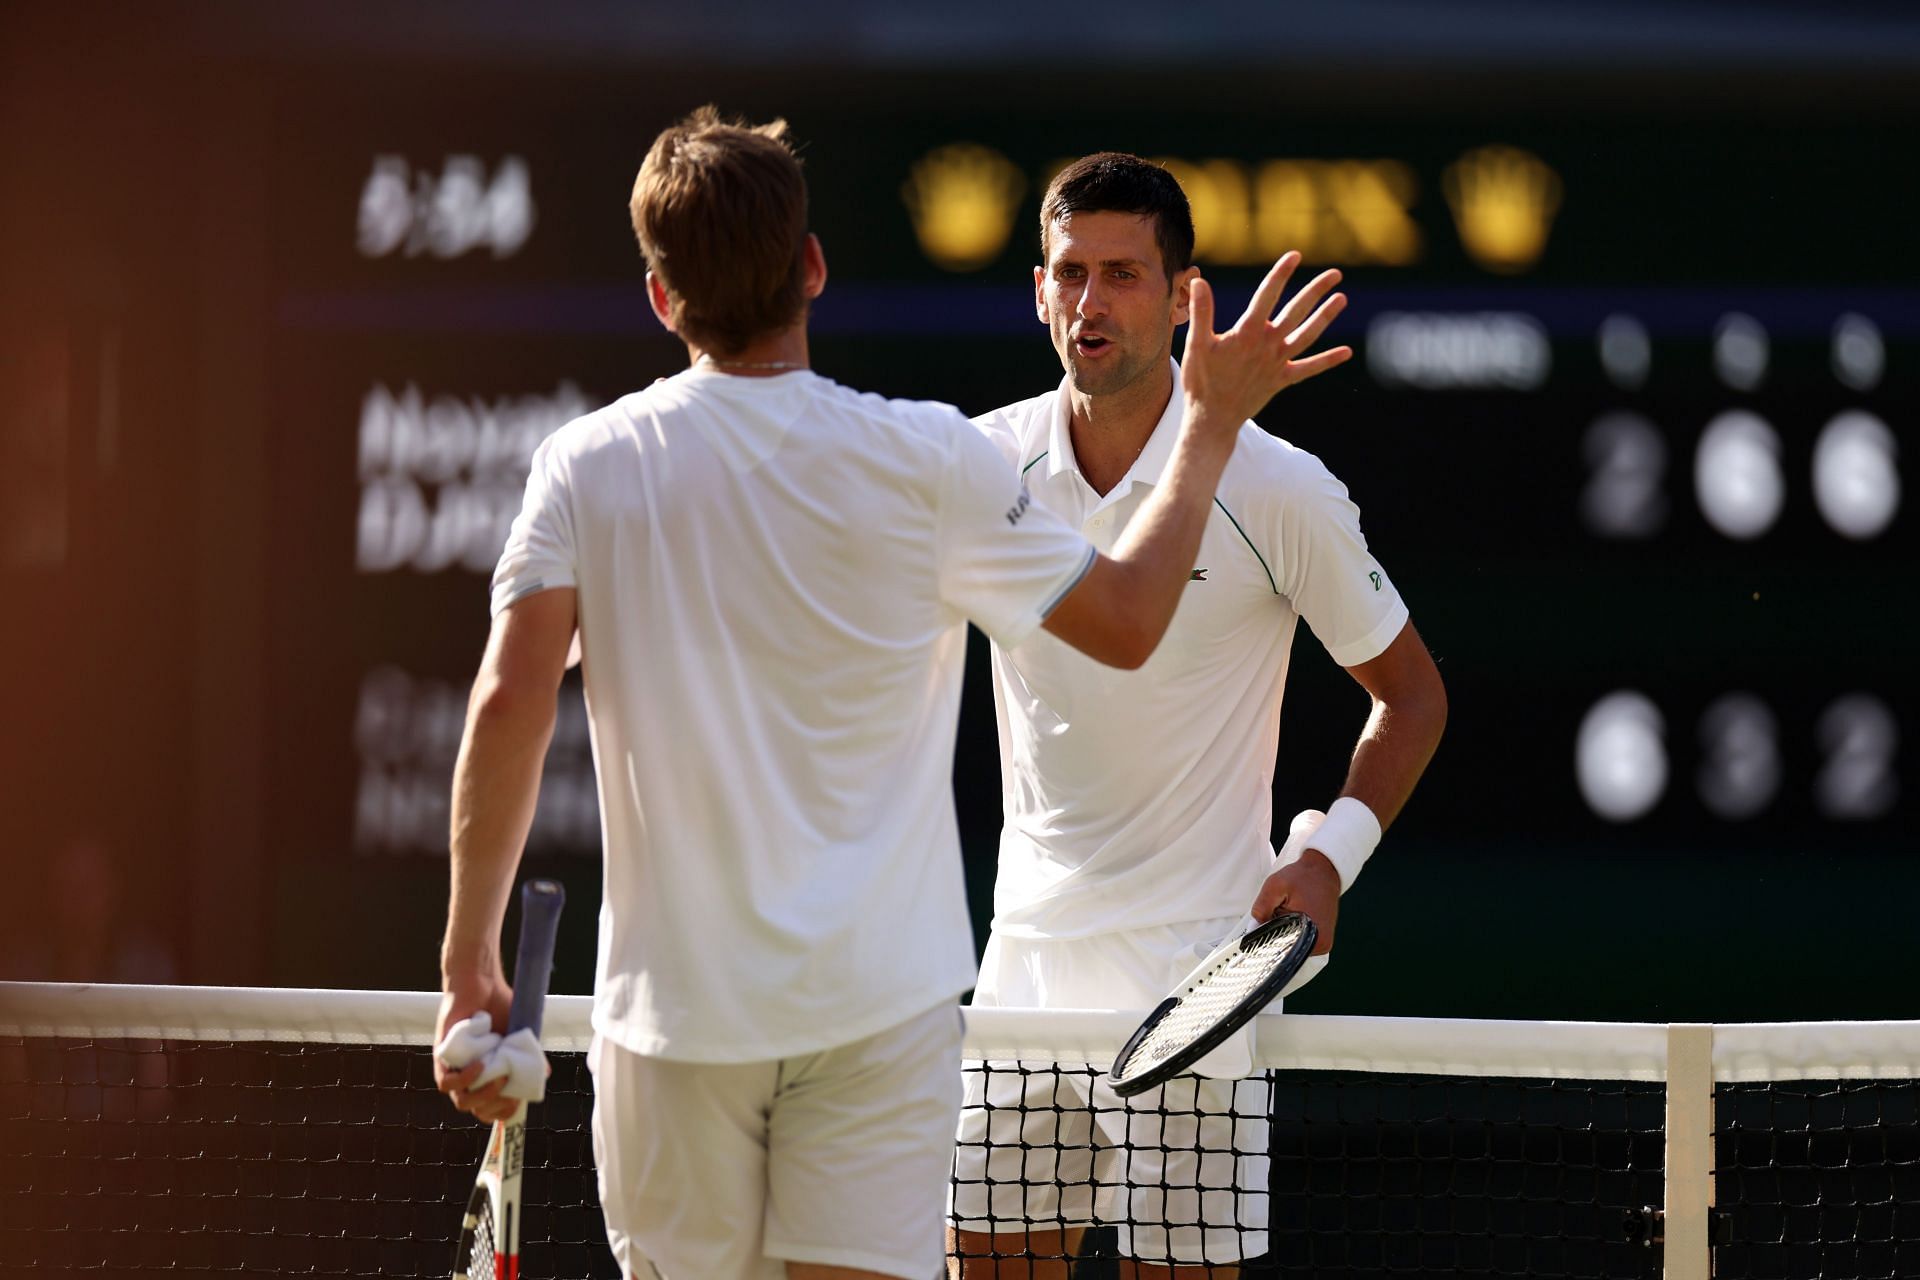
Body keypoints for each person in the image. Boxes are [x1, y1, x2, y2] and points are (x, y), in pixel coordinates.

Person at [431, 110, 1354, 1280]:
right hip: (881, 1018)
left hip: (671, 1021)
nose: (1091, 298)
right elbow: (1128, 620)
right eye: (1072, 273)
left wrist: (470, 960)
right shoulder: (934, 458)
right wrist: (1213, 426)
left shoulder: (585, 463)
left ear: (661, 298)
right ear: (811, 268)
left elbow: (510, 699)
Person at [947, 154, 1448, 1277]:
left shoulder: (1281, 487)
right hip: (1021, 974)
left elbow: (1412, 695)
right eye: (1070, 273)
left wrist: (1332, 860)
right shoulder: (977, 467)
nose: (1091, 302)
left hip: (1196, 982)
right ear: (1038, 291)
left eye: (1123, 274)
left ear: (1182, 297)